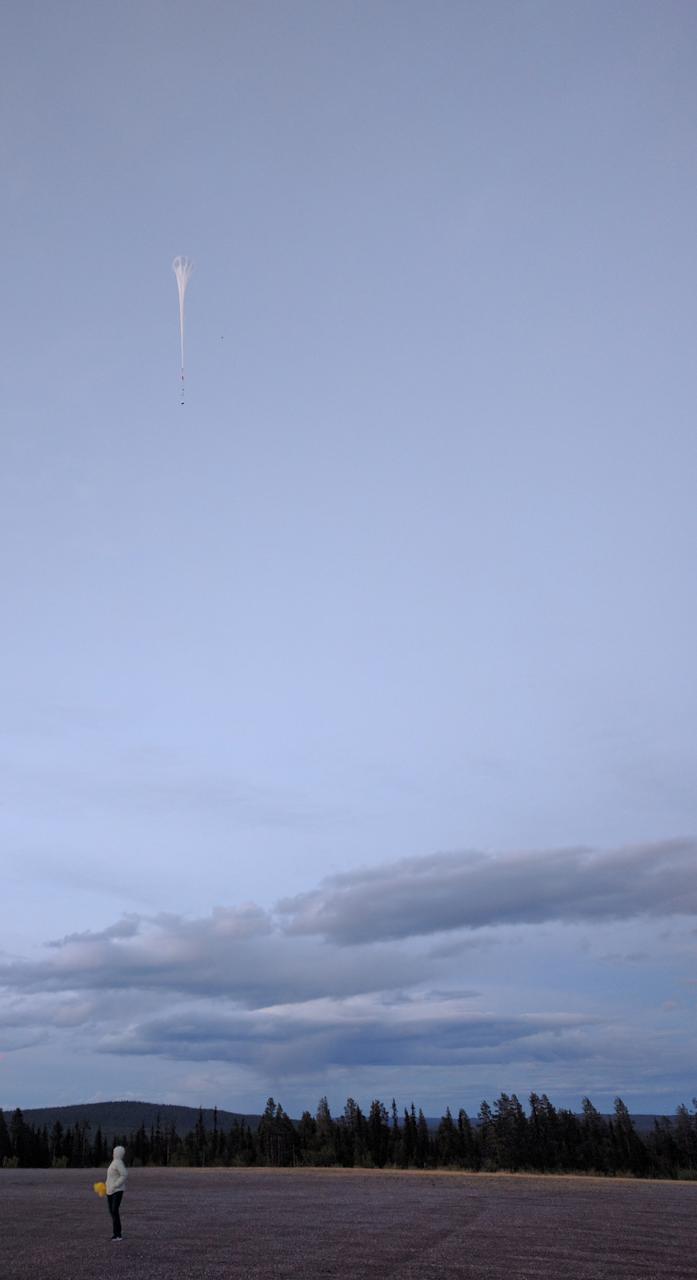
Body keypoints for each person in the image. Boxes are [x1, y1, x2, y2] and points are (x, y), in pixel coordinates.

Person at [105, 1145, 128, 1241]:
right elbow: (110, 1177)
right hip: (110, 1191)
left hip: (117, 1191)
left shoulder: (118, 1163)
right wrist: (106, 1186)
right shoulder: (114, 1162)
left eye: (115, 1152)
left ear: (119, 1153)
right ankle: (116, 1233)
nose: (113, 1153)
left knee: (114, 1211)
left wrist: (116, 1185)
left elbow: (124, 1174)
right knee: (112, 1211)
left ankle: (117, 1234)